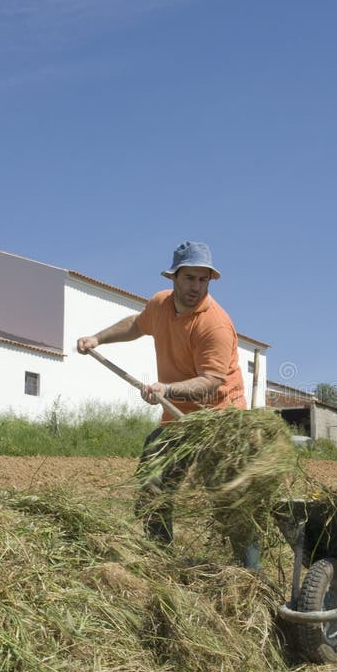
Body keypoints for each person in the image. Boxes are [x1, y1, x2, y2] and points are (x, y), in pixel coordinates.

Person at [77, 241, 257, 565]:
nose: (196, 287)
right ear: (174, 277)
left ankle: (250, 574)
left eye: (203, 280)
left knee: (228, 500)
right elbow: (136, 324)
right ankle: (160, 559)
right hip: (177, 416)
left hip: (219, 416)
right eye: (190, 278)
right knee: (154, 482)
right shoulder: (160, 305)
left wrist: (167, 389)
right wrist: (97, 338)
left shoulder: (214, 324)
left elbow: (211, 382)